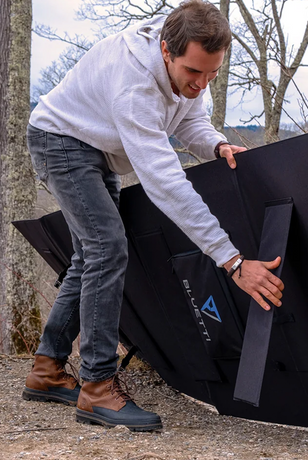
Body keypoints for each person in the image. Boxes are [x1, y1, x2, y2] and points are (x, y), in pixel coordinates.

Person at [23, 0, 284, 432]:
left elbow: (191, 121)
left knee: (93, 253)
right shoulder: (135, 82)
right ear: (166, 51)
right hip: (61, 140)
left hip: (100, 149)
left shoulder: (190, 72)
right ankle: (97, 388)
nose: (201, 84)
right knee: (106, 247)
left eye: (212, 74)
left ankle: (47, 370)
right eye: (193, 73)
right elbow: (166, 183)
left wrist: (218, 146)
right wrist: (233, 261)